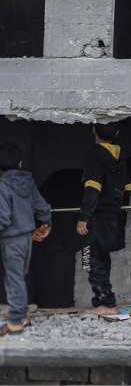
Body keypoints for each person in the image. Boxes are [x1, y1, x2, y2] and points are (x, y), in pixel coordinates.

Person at [78, 123, 131, 313]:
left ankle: (104, 303)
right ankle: (104, 298)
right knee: (101, 256)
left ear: (94, 132)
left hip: (96, 215)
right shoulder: (121, 156)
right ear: (116, 134)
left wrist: (84, 217)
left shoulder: (95, 154)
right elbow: (127, 188)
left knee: (89, 257)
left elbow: (93, 188)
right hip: (112, 215)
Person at [0, 142, 51, 335]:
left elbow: (2, 217)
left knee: (13, 279)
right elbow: (42, 208)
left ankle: (15, 322)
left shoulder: (2, 185)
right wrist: (46, 226)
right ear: (20, 162)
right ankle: (22, 316)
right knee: (20, 277)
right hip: (27, 238)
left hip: (11, 240)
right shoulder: (28, 182)